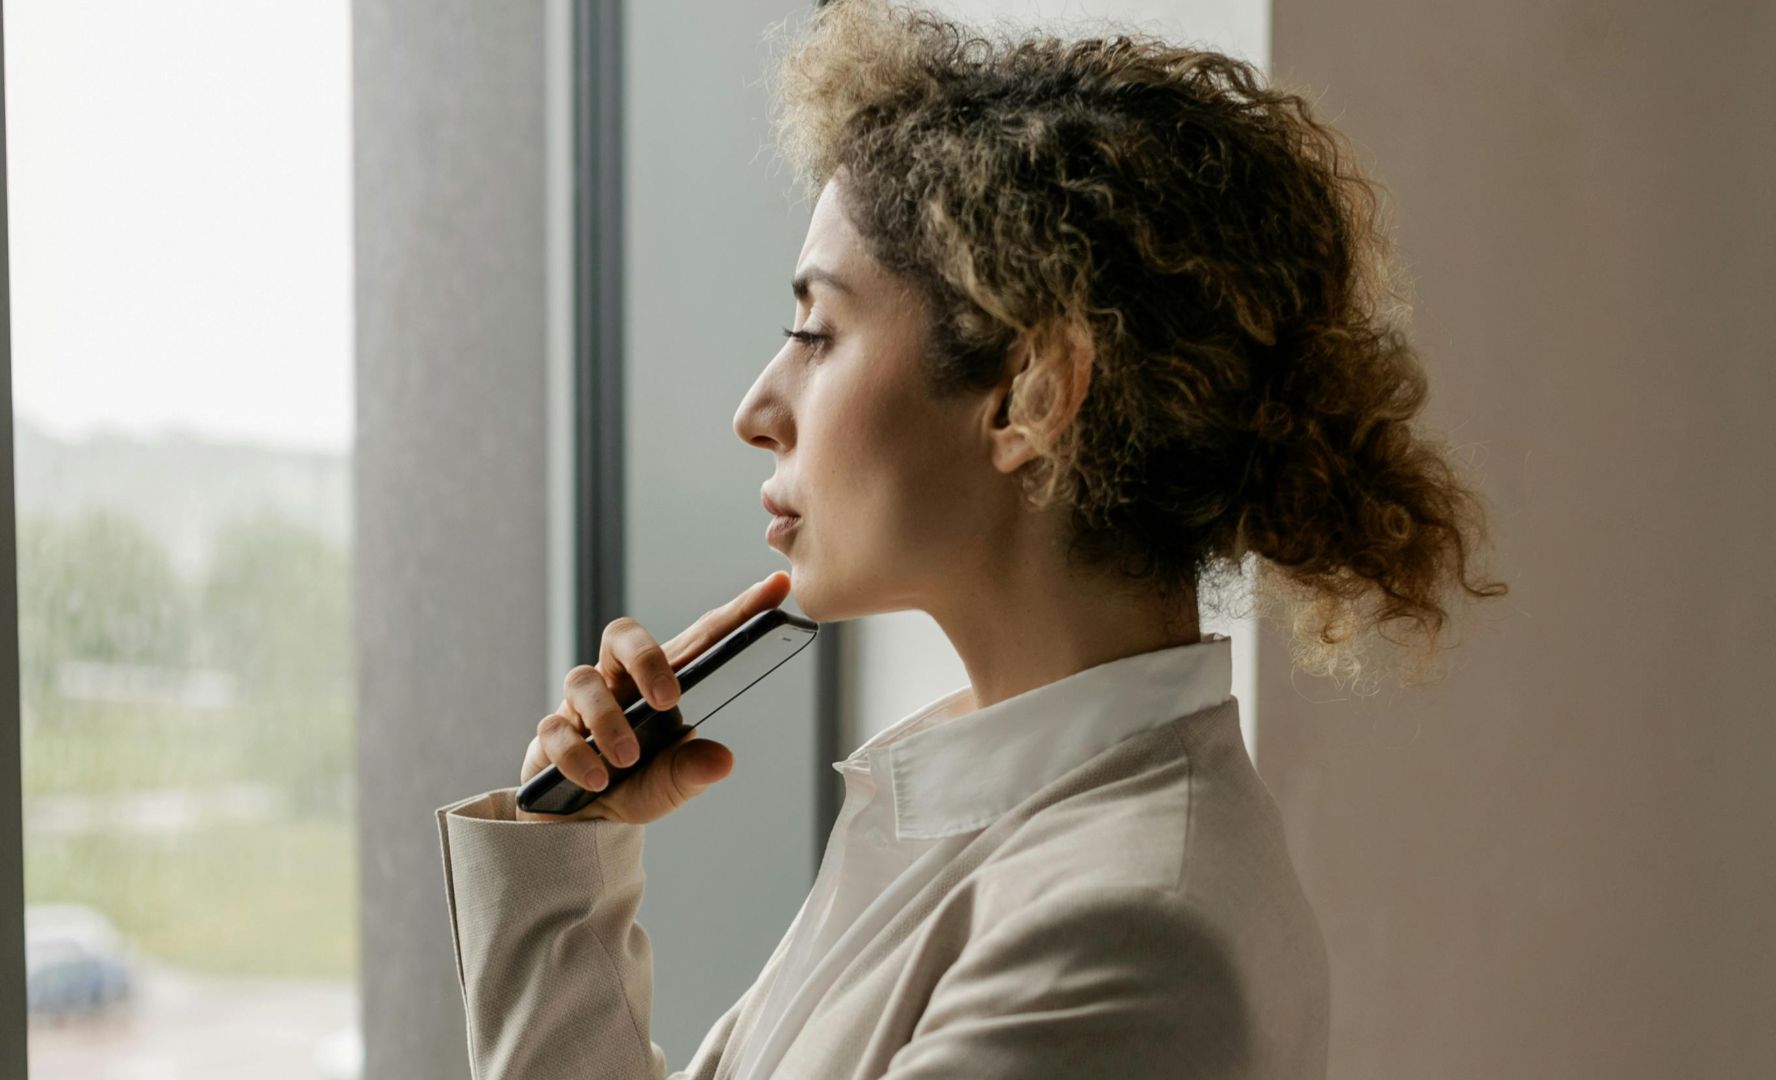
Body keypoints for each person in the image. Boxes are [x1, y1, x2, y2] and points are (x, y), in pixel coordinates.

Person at [433, 1, 1508, 1076]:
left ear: (1031, 395)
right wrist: (562, 858)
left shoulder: (1122, 934)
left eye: (816, 331)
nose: (756, 407)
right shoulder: (970, 813)